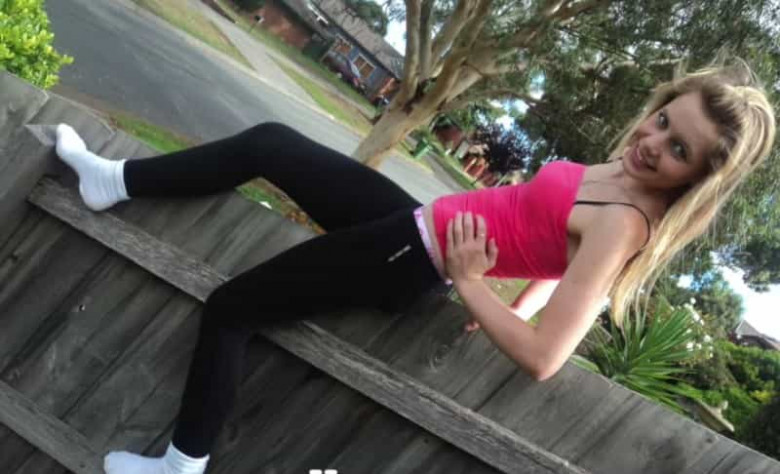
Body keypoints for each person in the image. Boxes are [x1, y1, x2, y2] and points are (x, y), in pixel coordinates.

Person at [53, 57, 775, 474]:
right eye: (663, 121)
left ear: (696, 179)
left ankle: (180, 466)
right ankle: (112, 181)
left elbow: (546, 357)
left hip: (408, 257)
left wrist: (472, 286)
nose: (653, 145)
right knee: (271, 143)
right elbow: (558, 253)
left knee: (231, 310)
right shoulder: (620, 172)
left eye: (679, 151)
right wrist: (518, 301)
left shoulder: (624, 224)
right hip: (414, 227)